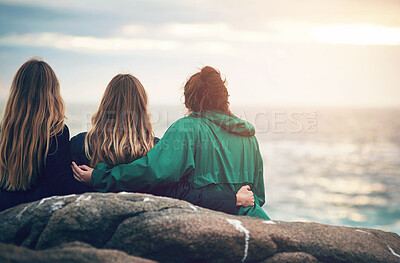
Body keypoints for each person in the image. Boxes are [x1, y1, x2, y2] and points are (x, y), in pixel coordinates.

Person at [73, 66, 269, 219]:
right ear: (224, 98)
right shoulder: (247, 135)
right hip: (255, 222)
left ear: (188, 101)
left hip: (209, 221)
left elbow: (151, 172)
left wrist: (101, 177)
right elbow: (258, 196)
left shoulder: (186, 129)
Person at [0, 59, 91, 211]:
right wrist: (97, 183)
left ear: (16, 92)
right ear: (52, 92)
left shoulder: (4, 132)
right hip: (33, 212)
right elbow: (60, 186)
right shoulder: (56, 132)